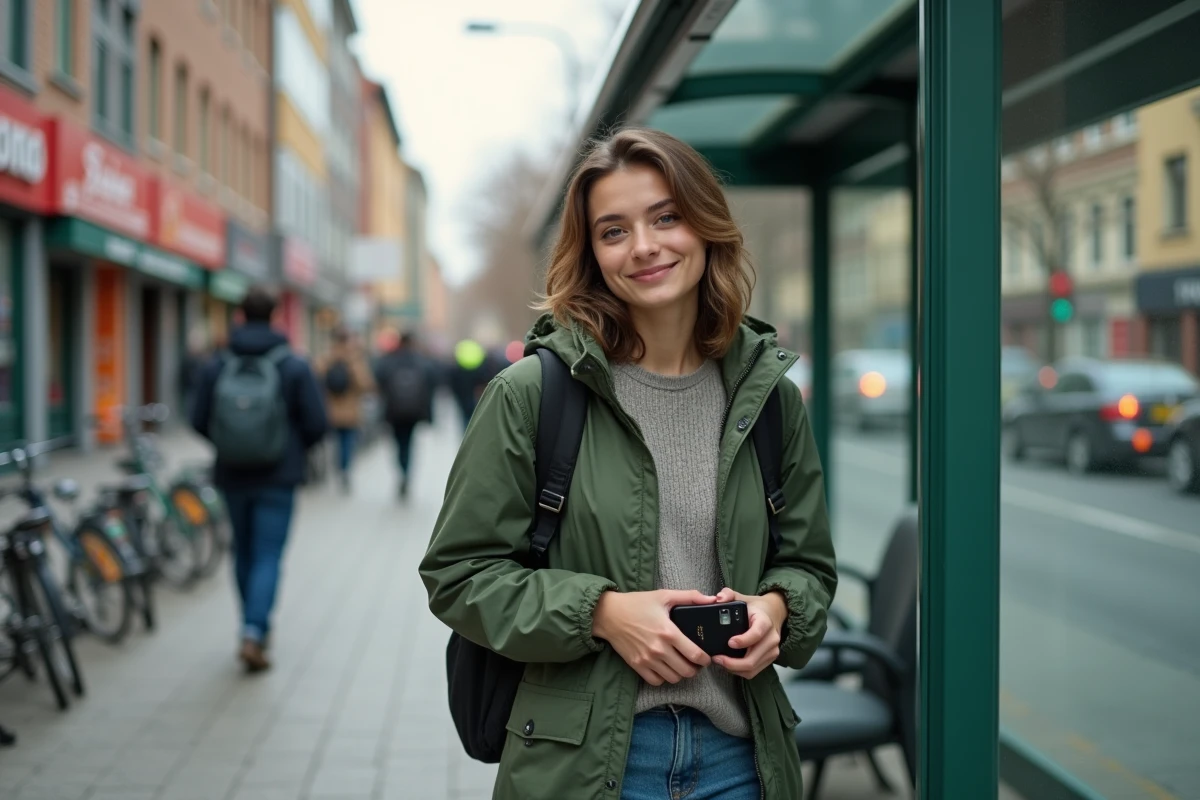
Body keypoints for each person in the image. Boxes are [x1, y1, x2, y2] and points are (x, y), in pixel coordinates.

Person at [420, 127, 837, 800]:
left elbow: (809, 564)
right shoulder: (531, 396)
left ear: (706, 228)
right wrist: (602, 612)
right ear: (590, 255)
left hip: (742, 759)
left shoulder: (771, 401)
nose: (644, 246)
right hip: (585, 766)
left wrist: (777, 611)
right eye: (613, 231)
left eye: (666, 217)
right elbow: (458, 574)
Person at [191, 287, 328, 672]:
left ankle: (248, 624)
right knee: (268, 554)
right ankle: (255, 630)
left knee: (243, 551)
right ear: (275, 316)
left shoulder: (217, 363)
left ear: (239, 315)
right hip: (278, 477)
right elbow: (317, 423)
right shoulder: (294, 365)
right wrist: (289, 447)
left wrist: (230, 442)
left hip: (232, 474)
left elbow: (198, 418)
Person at [374, 330, 436, 498]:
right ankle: (406, 472)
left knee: (398, 443)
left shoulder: (389, 360)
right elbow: (431, 385)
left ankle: (401, 471)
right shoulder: (422, 361)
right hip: (414, 411)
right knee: (409, 442)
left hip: (394, 411)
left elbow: (378, 380)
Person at [316, 327, 375, 493]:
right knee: (347, 444)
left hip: (330, 411)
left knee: (333, 444)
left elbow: (315, 380)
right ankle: (344, 470)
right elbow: (366, 385)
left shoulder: (325, 359)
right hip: (350, 412)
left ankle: (337, 469)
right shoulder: (355, 360)